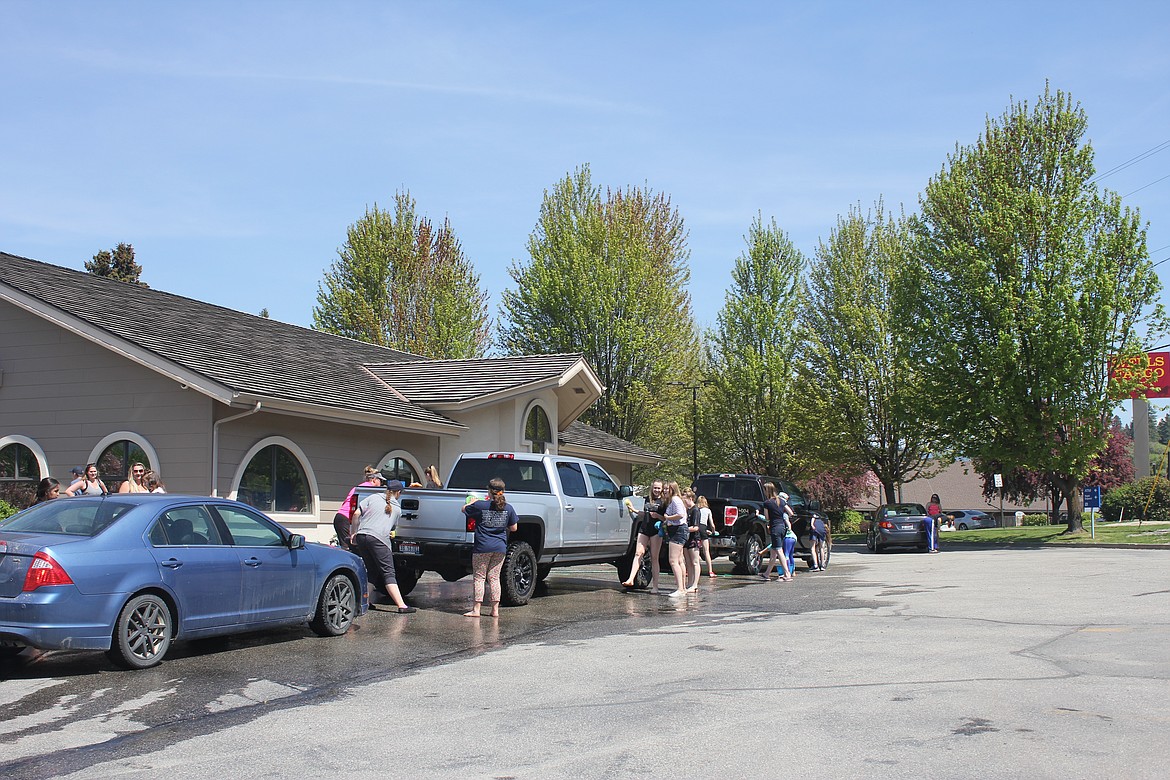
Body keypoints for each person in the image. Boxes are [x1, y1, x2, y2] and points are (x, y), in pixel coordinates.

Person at [351, 478, 416, 613]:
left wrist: (354, 533)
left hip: (362, 536)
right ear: (398, 492)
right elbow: (392, 528)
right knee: (388, 572)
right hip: (378, 539)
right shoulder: (397, 509)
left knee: (372, 571)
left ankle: (365, 602)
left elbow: (357, 513)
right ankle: (401, 605)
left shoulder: (373, 497)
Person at [461, 477, 520, 618]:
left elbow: (463, 509)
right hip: (500, 547)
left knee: (479, 578)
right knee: (494, 578)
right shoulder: (508, 508)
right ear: (503, 491)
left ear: (489, 490)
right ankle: (495, 610)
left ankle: (476, 609)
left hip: (482, 547)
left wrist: (473, 501)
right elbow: (514, 528)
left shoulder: (480, 505)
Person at [621, 479, 666, 593]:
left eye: (658, 488)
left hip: (656, 530)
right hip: (644, 529)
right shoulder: (647, 498)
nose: (656, 490)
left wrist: (657, 516)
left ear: (662, 489)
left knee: (654, 557)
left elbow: (666, 518)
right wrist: (634, 510)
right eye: (655, 487)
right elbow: (644, 513)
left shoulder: (664, 501)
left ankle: (655, 586)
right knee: (638, 553)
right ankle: (630, 579)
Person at [334, 466, 382, 552]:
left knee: (347, 547)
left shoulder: (359, 487)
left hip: (340, 517)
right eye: (380, 480)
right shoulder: (369, 490)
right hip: (346, 519)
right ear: (374, 479)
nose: (381, 483)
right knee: (348, 549)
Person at [760, 482, 793, 582]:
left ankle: (787, 574)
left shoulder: (767, 503)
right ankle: (766, 574)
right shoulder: (781, 501)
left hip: (775, 528)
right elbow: (791, 513)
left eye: (764, 490)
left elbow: (767, 518)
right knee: (773, 552)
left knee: (779, 551)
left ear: (767, 491)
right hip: (782, 527)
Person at [661, 481, 689, 598]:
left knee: (673, 561)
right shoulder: (674, 500)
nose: (665, 491)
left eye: (668, 489)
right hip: (678, 530)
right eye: (665, 489)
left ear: (673, 489)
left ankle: (680, 589)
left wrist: (668, 518)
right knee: (679, 560)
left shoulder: (676, 500)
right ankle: (682, 587)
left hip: (678, 530)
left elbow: (680, 514)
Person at [682, 488, 702, 592]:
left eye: (684, 499)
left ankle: (695, 584)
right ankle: (689, 583)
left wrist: (684, 528)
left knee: (695, 562)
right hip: (686, 538)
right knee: (688, 562)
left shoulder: (695, 510)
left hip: (694, 538)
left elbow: (696, 527)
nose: (683, 501)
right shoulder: (686, 510)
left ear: (690, 498)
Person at [697, 495, 717, 577]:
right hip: (703, 529)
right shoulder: (708, 510)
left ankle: (693, 569)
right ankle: (710, 571)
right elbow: (712, 524)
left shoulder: (696, 510)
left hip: (696, 528)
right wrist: (713, 531)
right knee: (706, 551)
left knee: (695, 551)